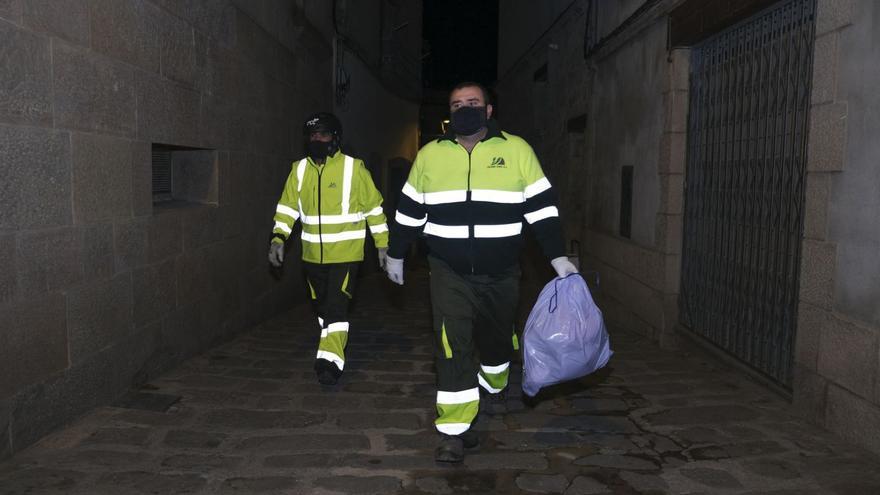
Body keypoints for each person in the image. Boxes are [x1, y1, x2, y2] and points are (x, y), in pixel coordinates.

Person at [384, 82, 577, 463]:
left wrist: (557, 257)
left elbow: (542, 209)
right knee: (451, 345)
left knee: (496, 343)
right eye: (457, 104)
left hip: (503, 271)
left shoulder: (517, 150)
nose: (464, 109)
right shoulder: (430, 156)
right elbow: (409, 211)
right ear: (449, 113)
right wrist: (396, 253)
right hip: (447, 270)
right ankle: (455, 430)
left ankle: (495, 385)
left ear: (488, 111)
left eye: (473, 103)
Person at [269, 112, 389, 386]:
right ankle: (332, 342)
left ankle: (329, 362)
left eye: (323, 134)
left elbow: (374, 210)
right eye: (312, 135)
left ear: (335, 138)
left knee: (336, 307)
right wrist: (278, 238)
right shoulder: (298, 170)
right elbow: (287, 209)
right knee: (323, 307)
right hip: (312, 257)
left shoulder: (354, 168)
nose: (317, 139)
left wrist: (382, 246)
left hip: (346, 255)